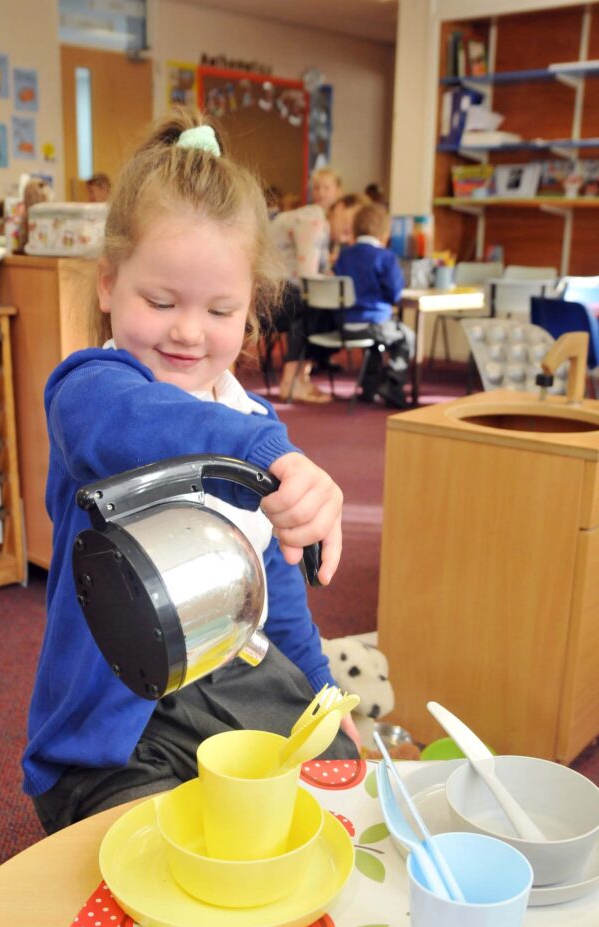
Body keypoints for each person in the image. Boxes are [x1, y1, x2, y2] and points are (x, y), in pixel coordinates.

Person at [22, 109, 359, 834]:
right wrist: (265, 453)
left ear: (250, 312)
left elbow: (278, 593)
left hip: (223, 679)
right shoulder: (89, 391)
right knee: (160, 844)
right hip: (112, 733)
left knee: (333, 772)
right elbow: (145, 423)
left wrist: (322, 696)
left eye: (220, 310)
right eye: (160, 301)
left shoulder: (250, 417)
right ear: (108, 285)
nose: (186, 331)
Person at [268, 168, 343, 403]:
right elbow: (307, 274)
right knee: (308, 307)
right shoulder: (313, 218)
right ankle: (290, 382)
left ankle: (301, 378)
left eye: (326, 187)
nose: (320, 192)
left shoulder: (321, 220)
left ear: (338, 192)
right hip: (269, 293)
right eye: (316, 187)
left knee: (314, 307)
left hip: (280, 288)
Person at [333, 201, 415, 408]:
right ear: (384, 232)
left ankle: (369, 387)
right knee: (406, 337)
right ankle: (393, 383)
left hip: (346, 323)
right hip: (374, 323)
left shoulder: (345, 255)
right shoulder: (385, 257)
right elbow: (395, 293)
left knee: (375, 343)